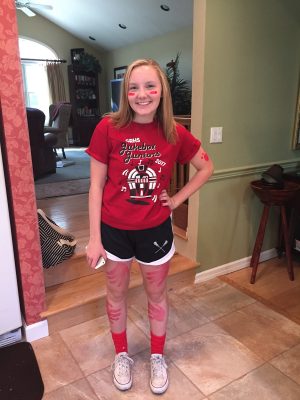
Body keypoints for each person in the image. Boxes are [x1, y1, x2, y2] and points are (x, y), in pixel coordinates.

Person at [85, 58, 213, 394]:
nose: (142, 94)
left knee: (156, 296)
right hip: (113, 231)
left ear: (161, 91)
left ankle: (157, 356)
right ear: (126, 93)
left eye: (150, 86)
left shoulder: (174, 132)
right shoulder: (107, 128)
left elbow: (206, 168)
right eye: (134, 87)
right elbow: (96, 186)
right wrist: (94, 240)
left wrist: (177, 199)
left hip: (155, 231)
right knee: (116, 296)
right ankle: (121, 354)